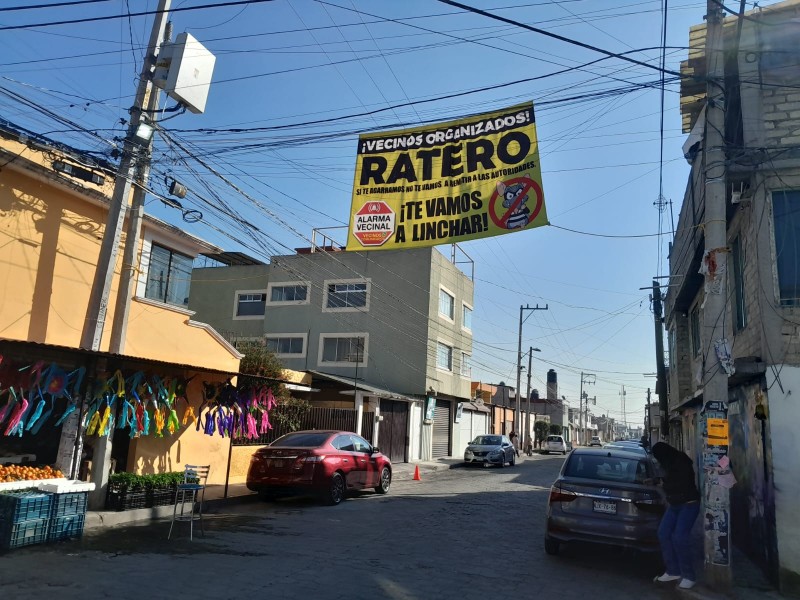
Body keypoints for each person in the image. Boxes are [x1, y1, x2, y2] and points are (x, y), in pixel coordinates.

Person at [650, 442, 701, 590]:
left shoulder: (681, 462)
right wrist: (656, 481)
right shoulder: (669, 462)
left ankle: (689, 576)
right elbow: (667, 479)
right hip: (675, 505)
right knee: (663, 533)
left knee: (680, 537)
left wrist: (663, 484)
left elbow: (679, 482)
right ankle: (673, 571)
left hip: (689, 504)